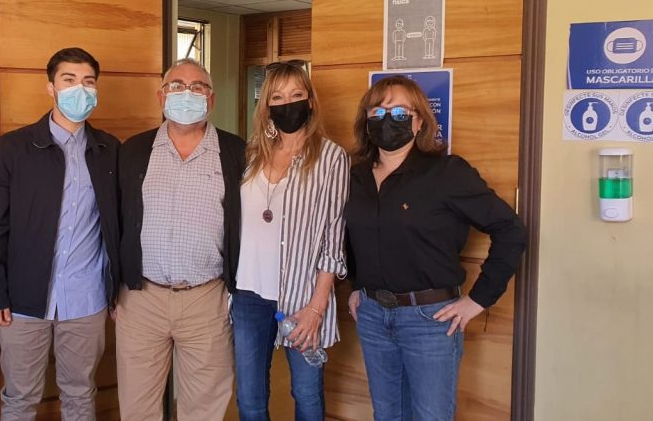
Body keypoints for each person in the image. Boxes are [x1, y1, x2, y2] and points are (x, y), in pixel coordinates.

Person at [345, 76, 526, 420]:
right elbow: (352, 237)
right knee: (386, 414)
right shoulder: (355, 177)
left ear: (420, 122)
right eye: (377, 111)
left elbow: (510, 230)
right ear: (365, 121)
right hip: (371, 316)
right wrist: (357, 285)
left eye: (400, 112)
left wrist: (479, 300)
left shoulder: (447, 173)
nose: (387, 119)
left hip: (429, 320)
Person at [0, 47, 120, 421]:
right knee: (20, 396)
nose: (79, 89)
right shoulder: (12, 149)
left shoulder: (109, 150)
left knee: (80, 393)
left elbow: (119, 225)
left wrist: (118, 288)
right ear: (50, 87)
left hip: (87, 297)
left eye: (88, 81)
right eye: (69, 80)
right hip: (22, 300)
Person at [116, 58, 245, 421]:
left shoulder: (236, 153)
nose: (186, 94)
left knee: (203, 408)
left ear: (211, 99)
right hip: (141, 299)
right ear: (161, 97)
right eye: (176, 86)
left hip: (207, 299)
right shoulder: (133, 150)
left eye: (197, 87)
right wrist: (114, 289)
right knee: (138, 408)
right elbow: (115, 221)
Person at [231, 61, 349, 421]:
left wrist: (317, 307)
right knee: (250, 398)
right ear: (266, 105)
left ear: (310, 101)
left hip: (302, 296)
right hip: (248, 294)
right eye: (278, 97)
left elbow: (334, 238)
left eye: (296, 95)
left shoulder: (331, 157)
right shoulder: (251, 153)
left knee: (307, 394)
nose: (288, 104)